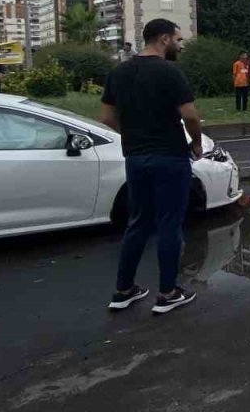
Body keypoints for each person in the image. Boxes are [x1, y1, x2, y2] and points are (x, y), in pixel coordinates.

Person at [100, 18, 204, 314]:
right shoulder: (170, 72)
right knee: (169, 223)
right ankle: (168, 292)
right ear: (164, 39)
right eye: (178, 40)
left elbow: (107, 117)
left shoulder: (118, 72)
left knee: (138, 222)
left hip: (135, 157)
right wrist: (196, 143)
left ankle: (123, 290)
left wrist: (131, 133)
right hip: (169, 157)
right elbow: (190, 116)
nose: (180, 45)